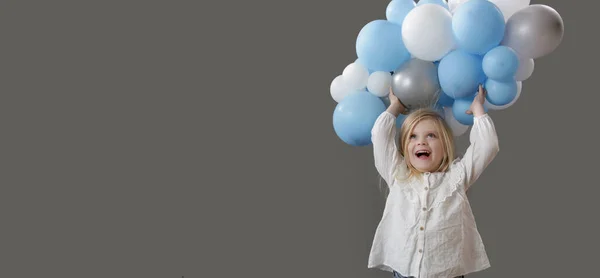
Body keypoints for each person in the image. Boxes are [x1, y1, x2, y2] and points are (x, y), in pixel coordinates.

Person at [368, 85, 500, 278]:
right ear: (405, 147)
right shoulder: (398, 173)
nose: (421, 142)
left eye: (431, 135)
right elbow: (379, 136)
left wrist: (478, 109)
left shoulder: (458, 176)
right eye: (413, 136)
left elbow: (488, 145)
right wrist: (395, 107)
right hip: (405, 272)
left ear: (445, 146)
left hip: (448, 273)